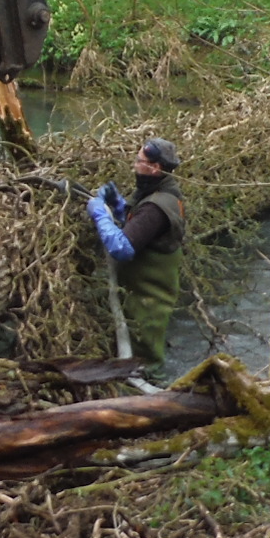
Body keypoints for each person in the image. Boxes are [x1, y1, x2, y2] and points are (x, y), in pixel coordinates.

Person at [85, 137, 187, 367]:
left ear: (154, 167)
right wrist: (120, 206)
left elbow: (122, 247)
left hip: (149, 301)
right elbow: (139, 227)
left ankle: (155, 396)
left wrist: (100, 213)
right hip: (141, 295)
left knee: (146, 359)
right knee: (135, 351)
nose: (134, 165)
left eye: (138, 160)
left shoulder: (156, 207)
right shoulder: (160, 192)